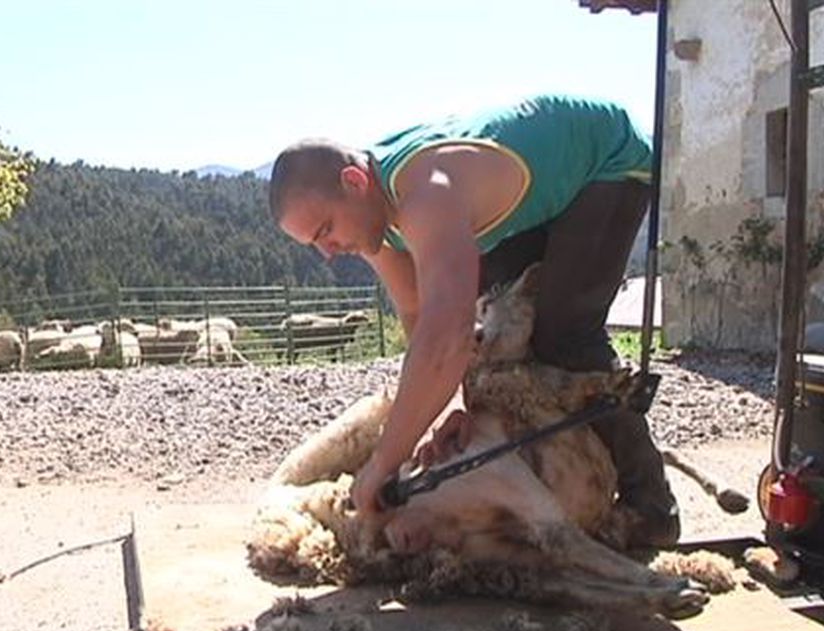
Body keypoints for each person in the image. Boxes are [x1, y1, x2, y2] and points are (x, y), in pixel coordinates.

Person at [268, 93, 680, 548]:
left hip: (608, 161)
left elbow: (447, 338)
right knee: (496, 310)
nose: (327, 252)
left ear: (353, 181)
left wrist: (385, 461)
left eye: (325, 230)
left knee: (564, 335)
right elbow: (420, 315)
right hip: (543, 189)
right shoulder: (373, 222)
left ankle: (652, 506)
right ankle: (549, 457)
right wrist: (450, 414)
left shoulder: (425, 196)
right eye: (314, 243)